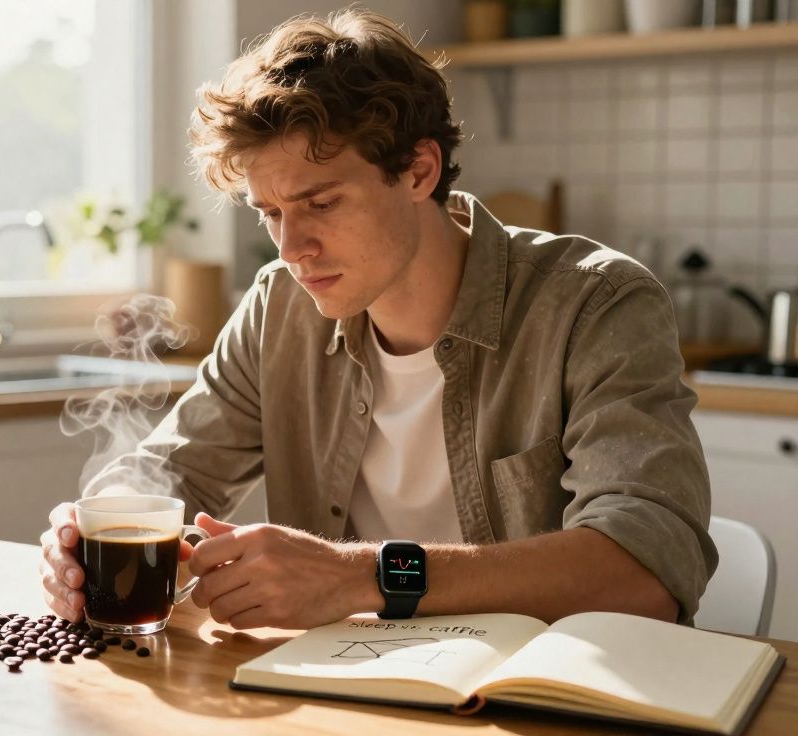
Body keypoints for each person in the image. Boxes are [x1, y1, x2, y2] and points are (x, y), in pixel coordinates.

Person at [40, 8, 716, 630]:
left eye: (322, 203)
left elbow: (647, 568)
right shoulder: (277, 309)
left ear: (419, 170)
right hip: (342, 693)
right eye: (269, 212)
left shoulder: (597, 306)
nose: (290, 247)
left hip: (534, 702)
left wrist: (359, 576)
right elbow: (168, 474)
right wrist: (84, 532)